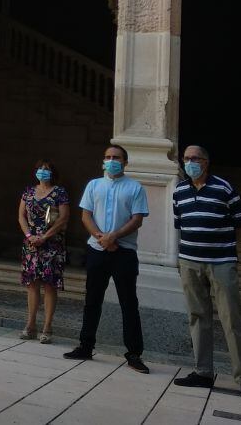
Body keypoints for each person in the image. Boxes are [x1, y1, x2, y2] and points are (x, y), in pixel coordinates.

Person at [172, 145, 241, 401]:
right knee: (197, 317)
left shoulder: (224, 188)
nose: (190, 163)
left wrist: (222, 247)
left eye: (195, 158)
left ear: (206, 162)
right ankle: (203, 371)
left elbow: (240, 224)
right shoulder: (179, 190)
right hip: (189, 262)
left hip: (221, 262)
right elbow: (180, 223)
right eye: (186, 159)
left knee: (232, 319)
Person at [63, 145, 150, 373]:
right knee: (92, 300)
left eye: (117, 158)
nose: (112, 161)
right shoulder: (94, 185)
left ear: (125, 162)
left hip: (124, 251)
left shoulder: (135, 187)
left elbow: (137, 219)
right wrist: (101, 237)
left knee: (128, 303)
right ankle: (85, 345)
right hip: (97, 248)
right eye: (108, 157)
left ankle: (134, 353)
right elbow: (85, 215)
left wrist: (114, 236)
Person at [18, 158, 70, 342]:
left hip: (51, 243)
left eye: (46, 169)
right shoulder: (28, 192)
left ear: (52, 173)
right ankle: (30, 324)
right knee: (32, 285)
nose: (42, 171)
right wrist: (29, 236)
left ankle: (47, 327)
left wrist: (45, 237)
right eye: (40, 168)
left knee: (49, 285)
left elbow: (63, 218)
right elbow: (21, 216)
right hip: (31, 244)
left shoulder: (59, 193)